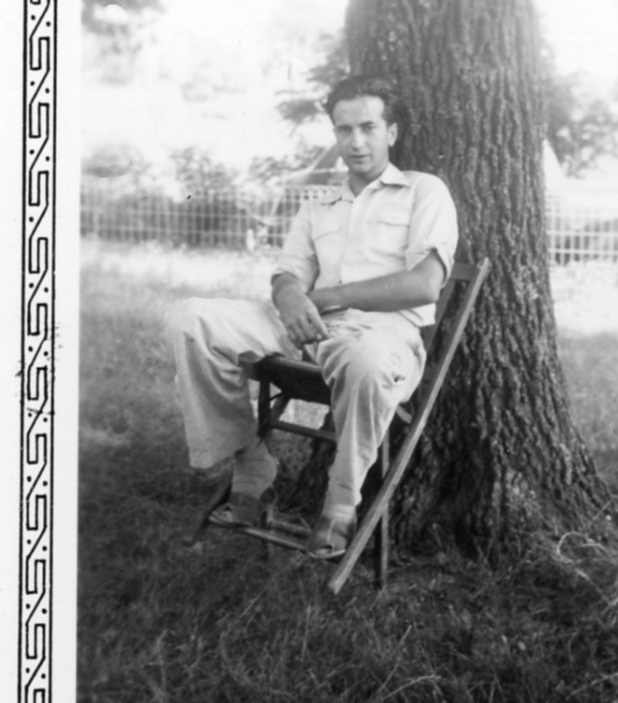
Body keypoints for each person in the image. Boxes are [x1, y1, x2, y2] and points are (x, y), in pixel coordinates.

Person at [167, 75, 458, 558]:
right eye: (344, 130)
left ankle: (341, 503)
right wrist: (290, 298)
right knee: (190, 318)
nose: (356, 142)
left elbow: (424, 284)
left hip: (380, 335)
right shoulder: (318, 207)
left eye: (368, 127)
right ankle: (251, 462)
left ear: (392, 132)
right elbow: (287, 275)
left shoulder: (424, 191)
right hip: (303, 330)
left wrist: (325, 297)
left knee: (367, 361)